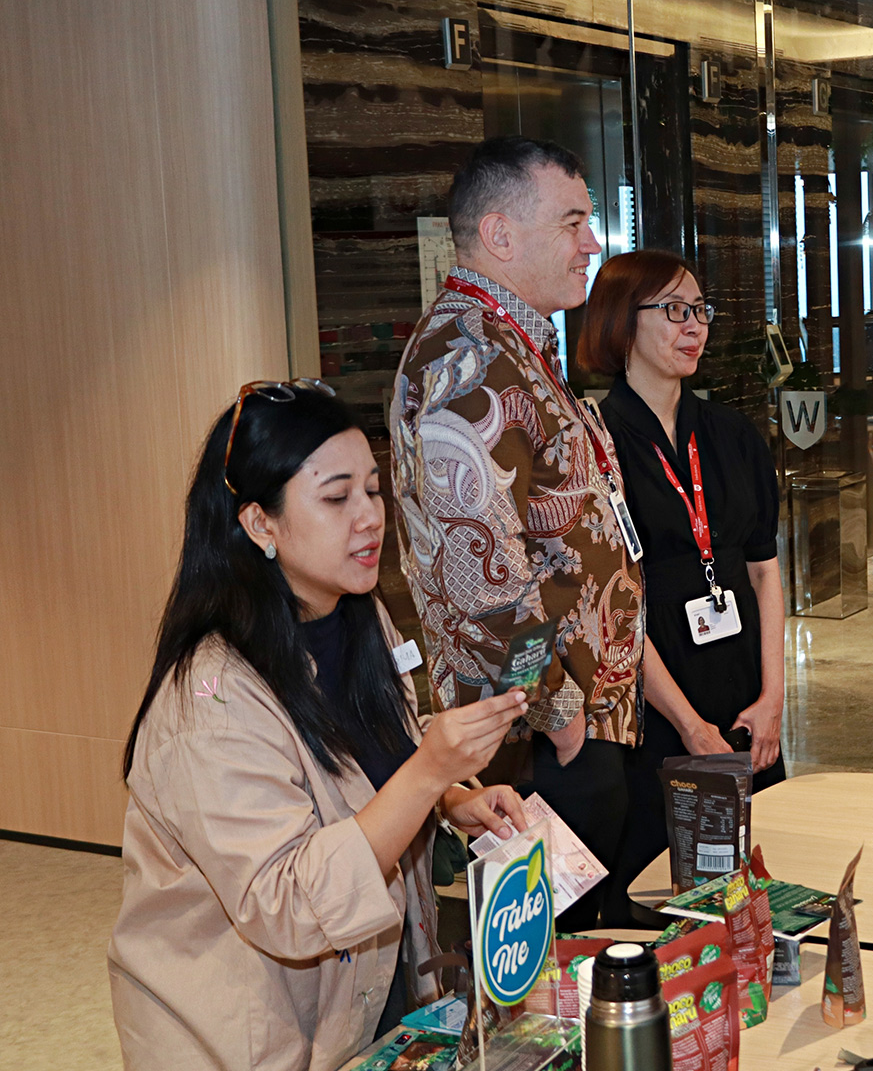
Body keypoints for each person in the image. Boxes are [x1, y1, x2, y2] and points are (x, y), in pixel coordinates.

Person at [109, 380, 529, 1071]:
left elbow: (374, 757)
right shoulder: (209, 696)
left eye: (372, 489)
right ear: (259, 524)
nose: (368, 517)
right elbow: (288, 904)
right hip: (249, 1037)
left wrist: (453, 796)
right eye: (336, 498)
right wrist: (429, 770)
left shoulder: (355, 614)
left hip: (367, 1007)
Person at [387, 136, 647, 930]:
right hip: (532, 743)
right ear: (501, 235)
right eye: (573, 222)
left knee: (580, 957)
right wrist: (562, 716)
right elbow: (484, 571)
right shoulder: (468, 355)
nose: (593, 243)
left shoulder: (509, 339)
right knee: (541, 976)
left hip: (572, 723)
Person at [576, 250, 787, 924]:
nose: (692, 325)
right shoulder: (594, 444)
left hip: (741, 690)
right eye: (672, 310)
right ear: (619, 322)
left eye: (699, 311)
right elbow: (607, 602)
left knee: (754, 888)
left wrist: (774, 696)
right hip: (654, 704)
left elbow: (763, 569)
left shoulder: (730, 433)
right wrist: (690, 725)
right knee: (665, 900)